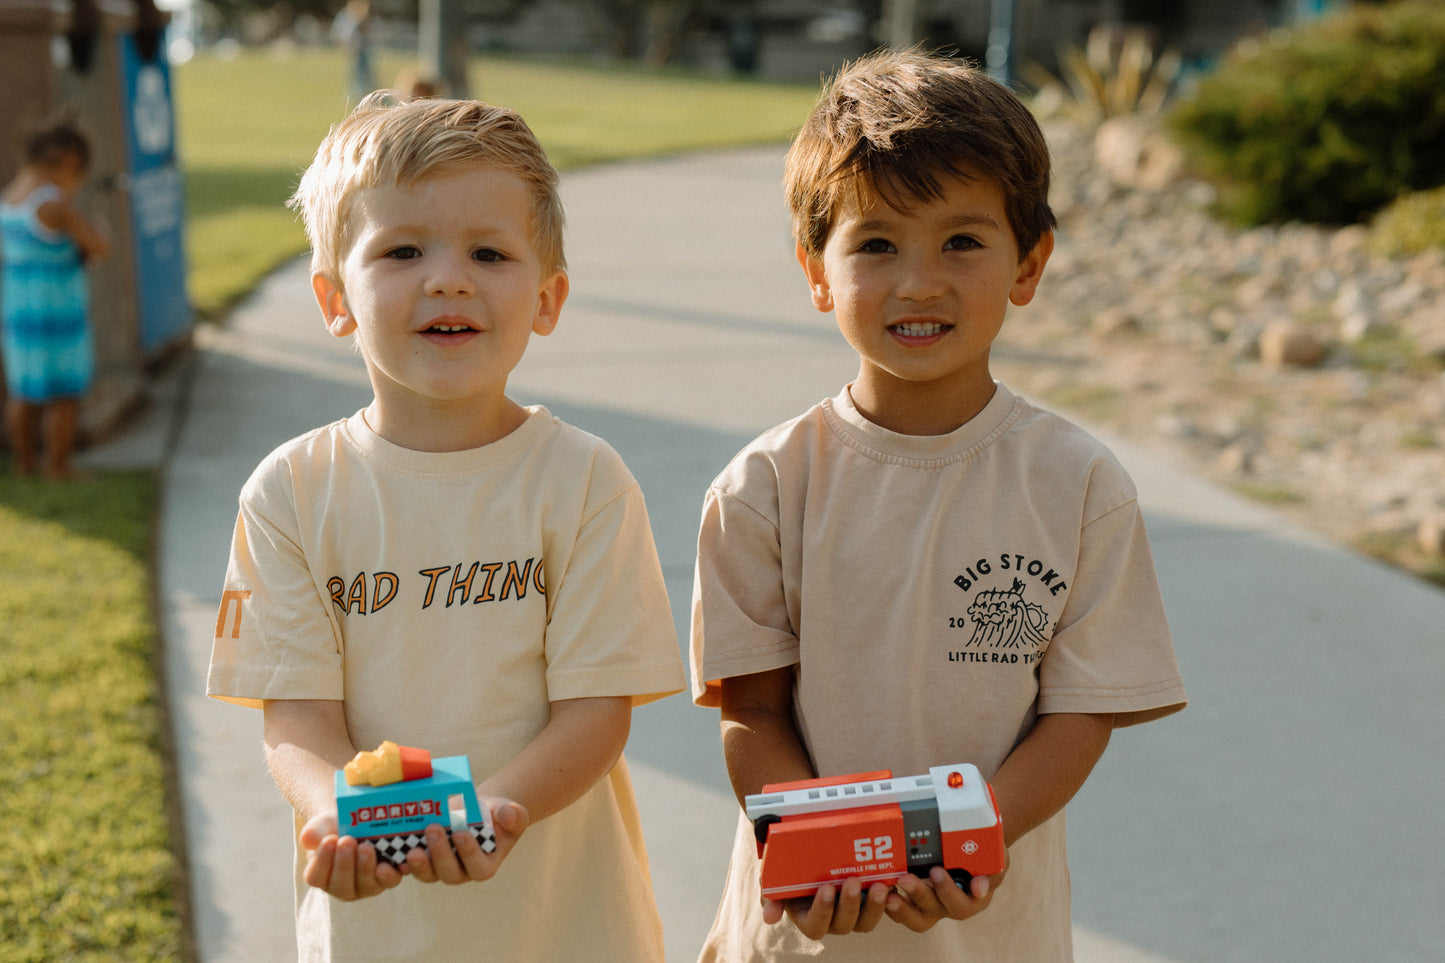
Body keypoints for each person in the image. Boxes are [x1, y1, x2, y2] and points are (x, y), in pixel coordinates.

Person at [689, 50, 1187, 961]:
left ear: (1028, 263)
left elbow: (1081, 713)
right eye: (875, 244)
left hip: (991, 929)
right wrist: (808, 850)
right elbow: (751, 712)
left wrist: (974, 839)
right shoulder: (761, 486)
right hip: (803, 928)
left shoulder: (1077, 484)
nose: (918, 281)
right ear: (815, 270)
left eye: (961, 241)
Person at [206, 93, 686, 962]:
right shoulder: (291, 492)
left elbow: (595, 710)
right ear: (333, 296)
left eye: (488, 252)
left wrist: (498, 808)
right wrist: (330, 812)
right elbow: (297, 713)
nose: (447, 278)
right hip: (377, 924)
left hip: (570, 925)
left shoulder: (581, 481)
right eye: (401, 250)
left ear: (546, 298)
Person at [1, 115, 109, 479]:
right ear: (65, 162)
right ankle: (58, 467)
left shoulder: (9, 199)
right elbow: (98, 246)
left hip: (18, 312)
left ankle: (24, 463)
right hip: (57, 312)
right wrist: (99, 230)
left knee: (23, 391)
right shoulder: (54, 204)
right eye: (78, 172)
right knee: (65, 392)